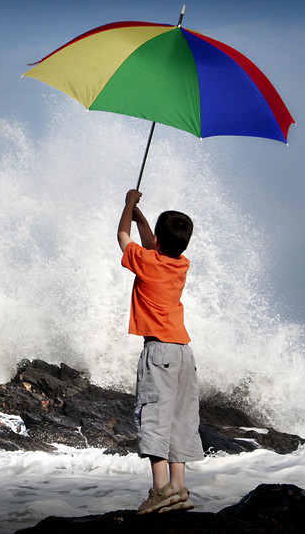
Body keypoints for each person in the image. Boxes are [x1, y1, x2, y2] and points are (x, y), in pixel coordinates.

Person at [117, 189, 203, 514]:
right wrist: (140, 216)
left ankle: (159, 489)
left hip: (159, 352)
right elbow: (153, 244)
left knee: (154, 417)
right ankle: (179, 488)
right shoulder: (180, 264)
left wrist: (128, 207)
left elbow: (122, 236)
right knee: (180, 419)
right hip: (184, 353)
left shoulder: (147, 262)